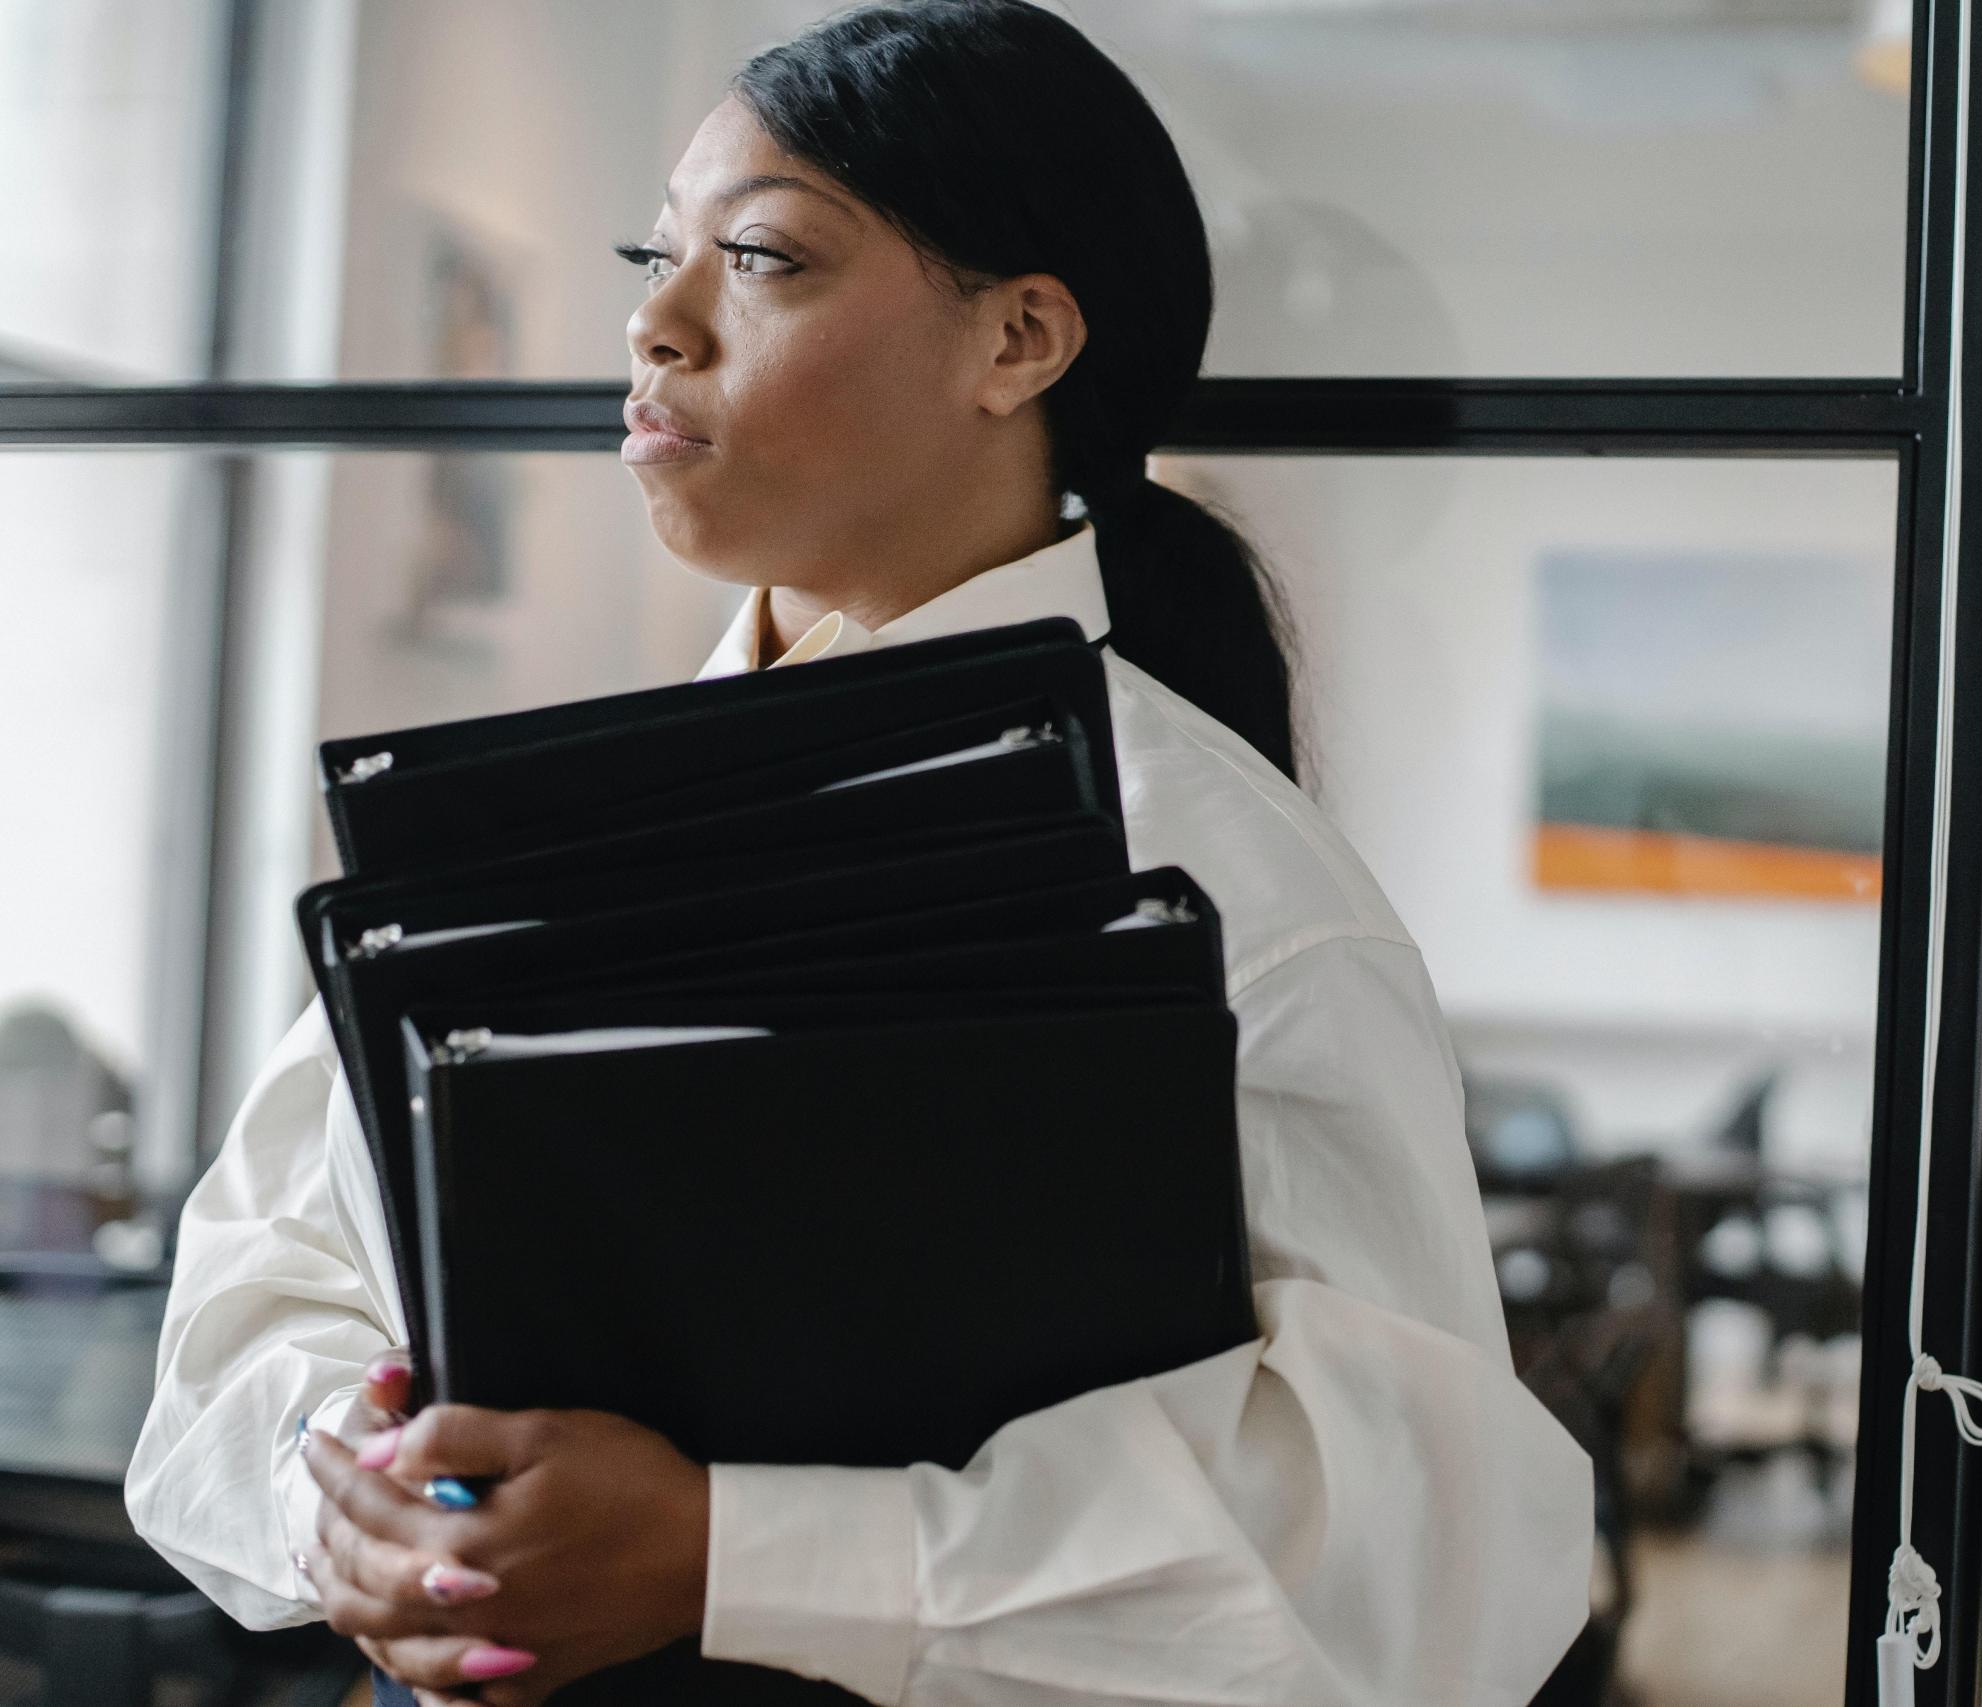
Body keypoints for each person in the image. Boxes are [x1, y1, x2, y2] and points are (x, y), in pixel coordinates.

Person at [123, 4, 1593, 1703]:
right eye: (651, 254)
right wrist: (357, 1500)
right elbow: (253, 1300)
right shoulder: (538, 824)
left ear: (1019, 340)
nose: (652, 323)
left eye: (757, 258)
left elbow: (1413, 1575)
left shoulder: (1236, 893)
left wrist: (724, 1555)